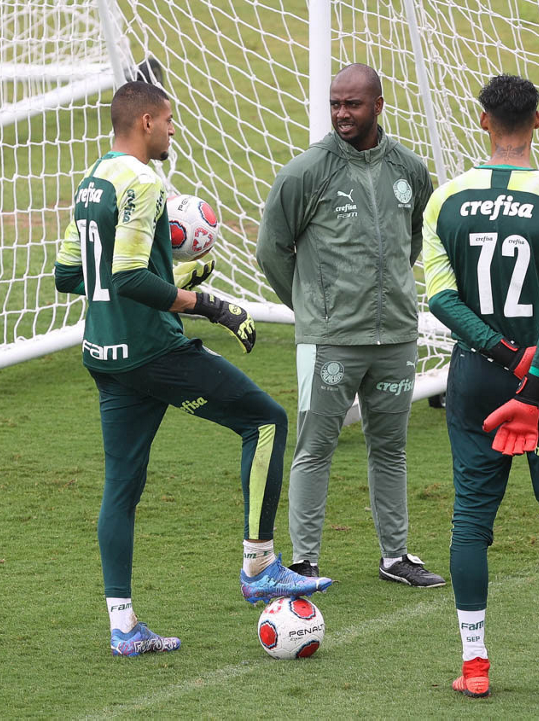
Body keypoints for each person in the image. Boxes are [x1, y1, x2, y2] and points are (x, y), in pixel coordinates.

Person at [53, 81, 331, 657]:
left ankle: (124, 627)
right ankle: (260, 566)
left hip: (105, 355)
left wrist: (173, 279)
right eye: (169, 120)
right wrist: (212, 306)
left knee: (121, 488)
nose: (173, 129)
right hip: (154, 350)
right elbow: (129, 277)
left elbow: (72, 275)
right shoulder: (143, 182)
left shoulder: (92, 181)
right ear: (146, 122)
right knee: (267, 421)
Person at [422, 74, 539, 701]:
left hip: (476, 377)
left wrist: (499, 354)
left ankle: (474, 667)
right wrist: (532, 376)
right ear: (538, 122)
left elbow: (441, 299)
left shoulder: (445, 200)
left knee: (471, 519)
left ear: (483, 121)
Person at [256, 64, 443, 587]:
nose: (341, 113)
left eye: (352, 104)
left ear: (378, 105)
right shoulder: (304, 172)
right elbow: (271, 250)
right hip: (330, 342)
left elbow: (412, 239)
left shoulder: (409, 169)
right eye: (335, 103)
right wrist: (313, 307)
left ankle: (396, 557)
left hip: (396, 337)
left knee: (391, 449)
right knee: (314, 448)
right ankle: (304, 561)